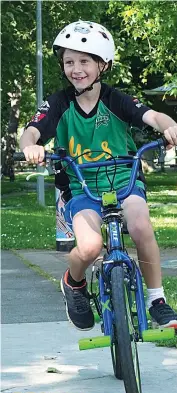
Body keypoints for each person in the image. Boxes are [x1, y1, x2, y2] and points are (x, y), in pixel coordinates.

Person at [20, 20, 177, 331]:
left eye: (85, 61)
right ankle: (73, 282)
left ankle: (156, 299)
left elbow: (153, 115)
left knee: (142, 226)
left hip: (124, 180)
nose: (76, 69)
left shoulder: (117, 99)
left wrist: (169, 125)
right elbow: (32, 131)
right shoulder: (58, 103)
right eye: (69, 61)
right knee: (90, 247)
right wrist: (30, 147)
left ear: (103, 64)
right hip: (80, 186)